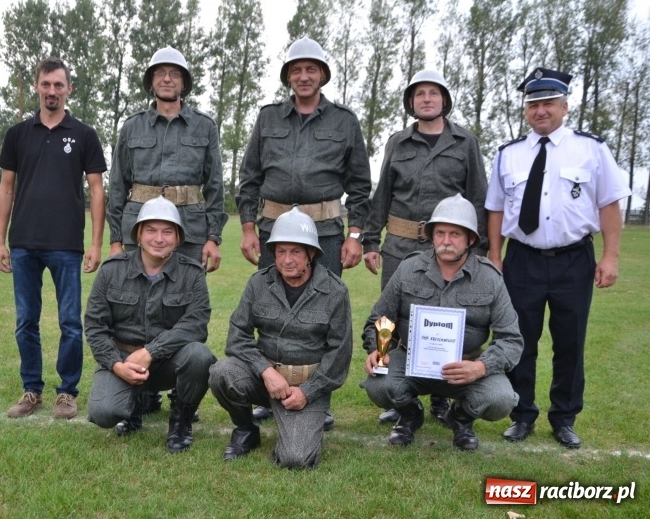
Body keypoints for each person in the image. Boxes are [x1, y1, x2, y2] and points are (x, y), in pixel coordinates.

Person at [486, 68, 631, 449]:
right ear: (525, 111)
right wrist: (496, 258)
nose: (540, 110)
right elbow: (496, 211)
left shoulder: (591, 149)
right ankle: (521, 414)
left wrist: (610, 257)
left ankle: (564, 417)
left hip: (574, 260)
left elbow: (609, 204)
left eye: (548, 102)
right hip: (522, 261)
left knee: (570, 341)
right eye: (533, 104)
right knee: (520, 340)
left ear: (565, 106)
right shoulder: (508, 155)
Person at [236, 36, 371, 429]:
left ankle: (319, 396)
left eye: (311, 69)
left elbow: (360, 185)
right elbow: (250, 179)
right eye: (297, 70)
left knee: (323, 313)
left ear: (323, 75)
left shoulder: (345, 121)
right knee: (272, 308)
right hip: (273, 232)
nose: (304, 76)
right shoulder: (267, 118)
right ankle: (268, 391)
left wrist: (356, 235)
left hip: (326, 231)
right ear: (288, 77)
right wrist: (247, 228)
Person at [362, 69, 489, 427]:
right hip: (400, 245)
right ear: (411, 102)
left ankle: (441, 394)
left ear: (444, 100)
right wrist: (371, 240)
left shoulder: (465, 142)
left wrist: (479, 252)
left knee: (448, 315)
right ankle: (394, 391)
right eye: (419, 94)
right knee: (390, 319)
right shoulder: (397, 142)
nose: (427, 99)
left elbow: (478, 198)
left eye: (433, 93)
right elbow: (382, 193)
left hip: (450, 247)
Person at [107, 46, 227, 419]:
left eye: (175, 73)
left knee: (181, 309)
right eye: (160, 73)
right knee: (136, 307)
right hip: (136, 229)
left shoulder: (204, 127)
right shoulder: (132, 127)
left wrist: (214, 236)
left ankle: (182, 392)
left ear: (184, 82)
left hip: (188, 231)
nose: (167, 78)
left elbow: (216, 185)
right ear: (151, 81)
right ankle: (142, 386)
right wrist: (115, 238)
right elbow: (117, 183)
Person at [360, 194, 522, 450]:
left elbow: (511, 340)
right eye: (440, 233)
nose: (446, 241)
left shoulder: (490, 278)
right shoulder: (409, 268)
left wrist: (481, 367)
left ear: (470, 239)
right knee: (379, 385)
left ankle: (461, 417)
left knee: (500, 399)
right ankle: (410, 414)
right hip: (412, 360)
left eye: (455, 234)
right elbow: (381, 320)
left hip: (466, 366)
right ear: (432, 235)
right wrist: (377, 351)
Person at [0, 57, 106, 420]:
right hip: (24, 243)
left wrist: (95, 243)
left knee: (70, 322)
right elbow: (6, 188)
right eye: (46, 84)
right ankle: (31, 391)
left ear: (68, 89)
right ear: (37, 87)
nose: (52, 91)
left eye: (59, 85)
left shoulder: (85, 135)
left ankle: (67, 393)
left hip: (66, 245)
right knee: (26, 320)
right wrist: (0, 242)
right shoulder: (17, 135)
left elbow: (96, 190)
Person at [209, 206, 353, 468]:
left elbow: (339, 355)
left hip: (306, 387)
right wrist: (265, 370)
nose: (287, 260)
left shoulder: (335, 291)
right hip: (265, 381)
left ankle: (305, 425)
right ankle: (245, 429)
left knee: (296, 458)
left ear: (311, 253)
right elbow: (237, 336)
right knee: (222, 372)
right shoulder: (258, 284)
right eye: (281, 251)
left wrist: (307, 392)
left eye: (296, 251)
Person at [85, 196, 216, 453]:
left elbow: (196, 324)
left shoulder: (192, 274)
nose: (159, 239)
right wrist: (116, 364)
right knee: (103, 413)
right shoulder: (112, 270)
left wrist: (151, 352)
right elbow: (95, 325)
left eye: (168, 232)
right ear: (139, 235)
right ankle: (132, 408)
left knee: (200, 356)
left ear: (178, 238)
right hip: (124, 359)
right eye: (151, 230)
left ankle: (181, 422)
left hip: (167, 361)